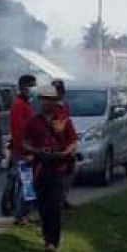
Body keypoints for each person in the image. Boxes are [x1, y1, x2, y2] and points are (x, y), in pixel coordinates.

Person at [23, 84, 77, 252]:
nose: (47, 103)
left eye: (50, 99)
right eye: (44, 99)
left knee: (54, 205)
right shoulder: (33, 122)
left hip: (58, 167)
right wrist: (36, 151)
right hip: (40, 167)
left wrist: (63, 153)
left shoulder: (64, 121)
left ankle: (52, 242)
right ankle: (48, 239)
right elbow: (24, 142)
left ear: (56, 101)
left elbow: (72, 142)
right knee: (44, 207)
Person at [9, 74, 37, 226]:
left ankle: (24, 213)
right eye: (32, 86)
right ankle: (20, 216)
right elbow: (19, 131)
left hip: (25, 149)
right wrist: (26, 151)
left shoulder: (25, 104)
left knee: (25, 183)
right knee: (27, 184)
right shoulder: (19, 105)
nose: (34, 89)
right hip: (23, 151)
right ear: (23, 86)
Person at [50, 79, 78, 209]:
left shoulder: (64, 105)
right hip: (52, 143)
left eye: (59, 91)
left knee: (69, 171)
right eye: (55, 91)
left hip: (65, 143)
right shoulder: (49, 107)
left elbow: (66, 123)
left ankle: (62, 198)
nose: (57, 93)